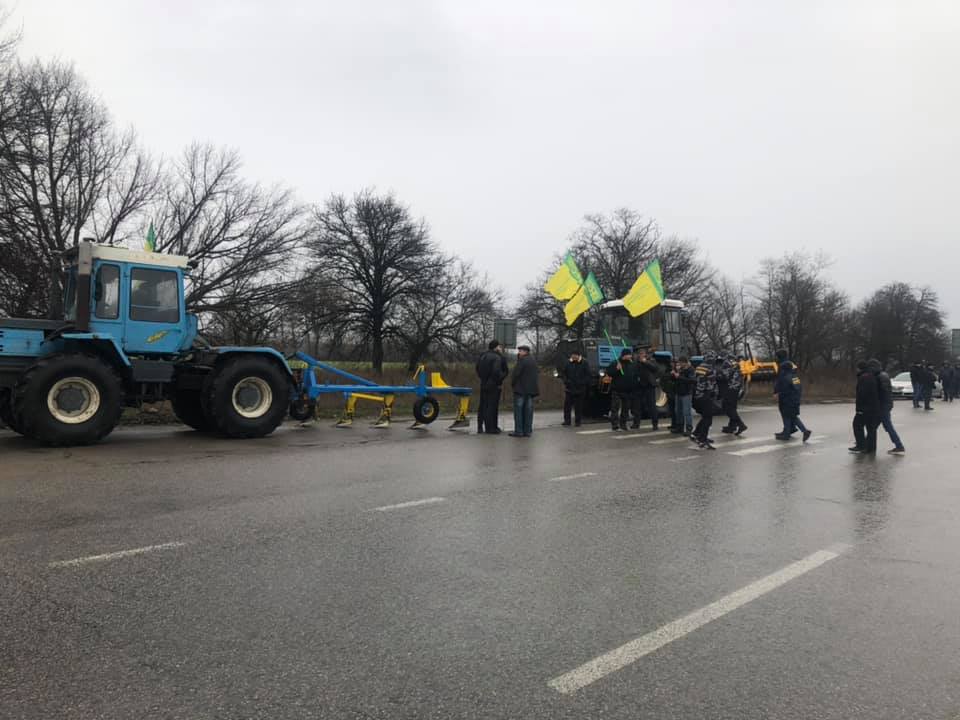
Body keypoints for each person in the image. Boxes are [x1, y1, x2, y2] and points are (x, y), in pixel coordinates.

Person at [773, 349, 811, 442]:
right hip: (794, 399)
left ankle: (788, 433)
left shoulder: (785, 377)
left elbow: (783, 388)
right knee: (792, 416)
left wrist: (778, 394)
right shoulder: (794, 376)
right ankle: (797, 431)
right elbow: (798, 388)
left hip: (787, 400)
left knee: (787, 415)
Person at [475, 340, 508, 434]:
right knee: (492, 406)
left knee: (482, 406)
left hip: (483, 383)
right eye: (500, 347)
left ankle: (480, 427)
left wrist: (483, 378)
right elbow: (496, 372)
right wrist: (500, 378)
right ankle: (491, 428)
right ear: (496, 347)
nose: (501, 349)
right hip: (494, 385)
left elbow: (477, 368)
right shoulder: (497, 357)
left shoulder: (482, 356)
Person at [851, 359, 882, 454]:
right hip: (874, 407)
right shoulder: (871, 376)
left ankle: (861, 445)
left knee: (857, 425)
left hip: (865, 408)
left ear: (859, 368)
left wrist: (859, 409)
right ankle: (871, 448)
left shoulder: (864, 377)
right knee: (871, 428)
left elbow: (862, 394)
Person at [875, 360, 905, 455]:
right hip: (887, 404)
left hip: (883, 405)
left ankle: (899, 445)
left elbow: (881, 392)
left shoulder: (879, 377)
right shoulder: (885, 375)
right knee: (875, 426)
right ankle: (864, 441)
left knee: (887, 426)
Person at [691, 352, 719, 449]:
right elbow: (710, 383)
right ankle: (702, 439)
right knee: (708, 418)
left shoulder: (699, 367)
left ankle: (697, 434)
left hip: (698, 395)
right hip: (705, 395)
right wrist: (713, 393)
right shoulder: (710, 368)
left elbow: (697, 381)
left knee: (705, 417)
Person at [509, 345, 539, 437]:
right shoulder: (533, 361)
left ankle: (519, 431)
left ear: (525, 352)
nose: (519, 353)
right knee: (528, 411)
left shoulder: (522, 361)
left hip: (520, 389)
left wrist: (513, 384)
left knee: (518, 411)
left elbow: (516, 374)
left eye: (520, 351)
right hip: (530, 390)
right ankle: (528, 431)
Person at [606, 348, 639, 431]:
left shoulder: (632, 364)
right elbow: (609, 373)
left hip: (628, 390)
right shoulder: (616, 363)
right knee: (615, 408)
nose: (630, 356)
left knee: (626, 408)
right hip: (617, 389)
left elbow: (635, 375)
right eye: (628, 355)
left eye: (630, 355)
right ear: (624, 355)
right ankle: (615, 425)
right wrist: (616, 369)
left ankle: (623, 424)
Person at [718, 353, 748, 436]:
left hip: (730, 389)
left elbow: (725, 376)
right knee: (732, 408)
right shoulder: (737, 365)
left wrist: (718, 376)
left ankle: (741, 424)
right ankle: (732, 426)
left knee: (727, 407)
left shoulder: (727, 363)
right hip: (737, 389)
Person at [560, 350, 591, 427]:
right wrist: (566, 381)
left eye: (574, 356)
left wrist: (582, 382)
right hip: (569, 387)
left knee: (578, 406)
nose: (573, 357)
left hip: (580, 388)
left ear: (578, 356)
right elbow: (564, 373)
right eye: (572, 356)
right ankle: (567, 421)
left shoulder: (584, 363)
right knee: (567, 406)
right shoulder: (568, 362)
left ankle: (578, 421)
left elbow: (588, 375)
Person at [632, 348, 661, 430]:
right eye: (639, 354)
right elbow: (634, 371)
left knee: (651, 406)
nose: (641, 355)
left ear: (645, 354)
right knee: (637, 406)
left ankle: (655, 424)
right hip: (639, 386)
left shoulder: (651, 360)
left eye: (642, 353)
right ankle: (636, 423)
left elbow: (655, 368)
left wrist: (645, 362)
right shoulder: (636, 362)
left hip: (649, 385)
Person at [672, 356, 695, 436]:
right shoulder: (680, 370)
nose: (679, 364)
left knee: (686, 412)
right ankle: (679, 427)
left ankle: (689, 428)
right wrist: (674, 375)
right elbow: (677, 380)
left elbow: (691, 380)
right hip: (678, 392)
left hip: (686, 393)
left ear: (684, 362)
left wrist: (679, 377)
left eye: (680, 362)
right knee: (678, 411)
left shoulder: (690, 370)